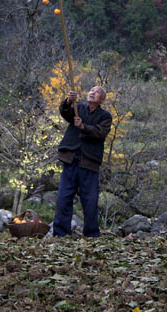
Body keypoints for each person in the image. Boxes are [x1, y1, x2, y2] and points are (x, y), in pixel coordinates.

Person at [52, 85, 112, 237]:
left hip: (89, 162)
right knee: (63, 197)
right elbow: (65, 112)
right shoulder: (77, 107)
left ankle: (91, 234)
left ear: (102, 99)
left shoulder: (105, 116)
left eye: (97, 92)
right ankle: (60, 234)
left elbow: (100, 133)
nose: (92, 93)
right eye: (91, 90)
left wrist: (84, 127)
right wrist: (68, 101)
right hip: (71, 159)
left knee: (90, 200)